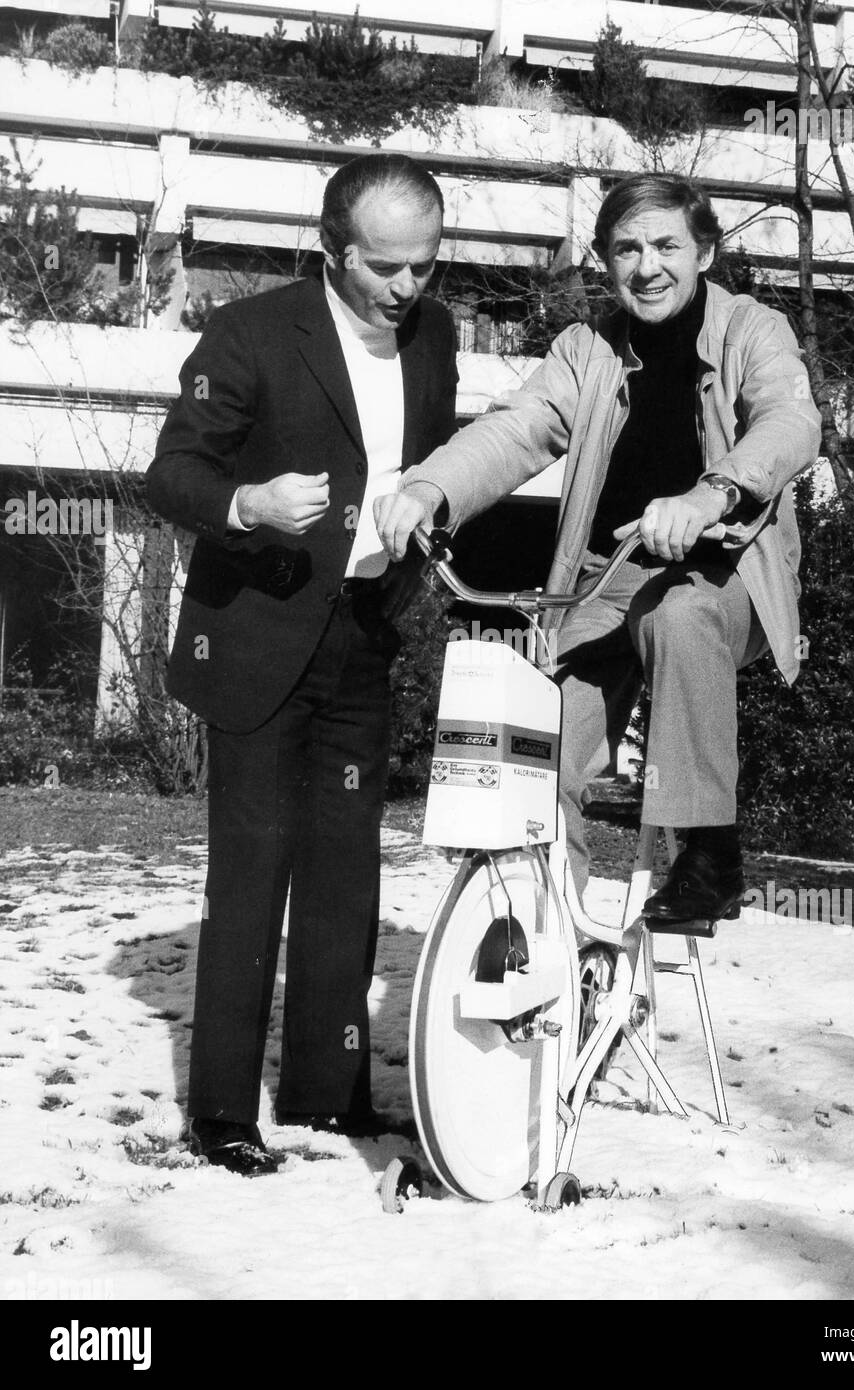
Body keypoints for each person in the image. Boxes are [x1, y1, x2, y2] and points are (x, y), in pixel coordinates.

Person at [376, 173, 821, 926]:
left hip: (720, 577)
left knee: (679, 616)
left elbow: (789, 422)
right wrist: (429, 489)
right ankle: (551, 949)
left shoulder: (753, 330)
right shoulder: (586, 349)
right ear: (606, 262)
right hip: (603, 585)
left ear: (704, 252)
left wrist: (711, 494)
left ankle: (709, 853)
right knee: (536, 763)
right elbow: (517, 428)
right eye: (627, 249)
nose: (647, 266)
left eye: (667, 246)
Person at [146, 153, 458, 1175]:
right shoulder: (248, 332)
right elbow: (173, 472)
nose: (410, 289)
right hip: (256, 635)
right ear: (333, 250)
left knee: (346, 875)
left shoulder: (438, 334)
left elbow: (431, 464)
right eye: (387, 268)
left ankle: (329, 1094)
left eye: (425, 265)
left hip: (364, 633)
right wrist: (246, 504)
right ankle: (224, 1112)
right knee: (253, 874)